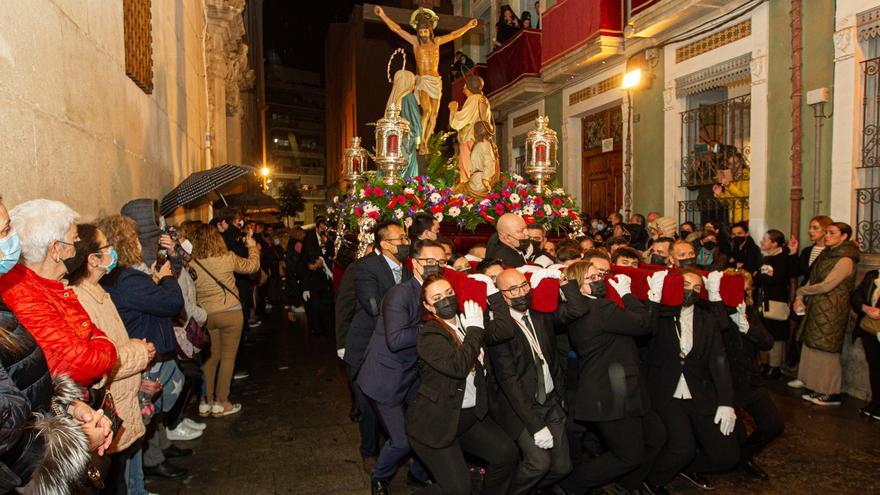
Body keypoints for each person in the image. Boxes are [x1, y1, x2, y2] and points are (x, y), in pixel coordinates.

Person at [0, 198, 113, 494]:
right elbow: (79, 360)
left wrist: (67, 405)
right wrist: (75, 439)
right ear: (55, 248)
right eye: (4, 230)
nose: (13, 241)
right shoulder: (22, 294)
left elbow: (27, 382)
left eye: (9, 227)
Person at [555, 263, 667, 495]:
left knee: (655, 437)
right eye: (591, 277)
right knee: (628, 456)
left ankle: (628, 485)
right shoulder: (599, 307)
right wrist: (635, 295)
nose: (599, 280)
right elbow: (644, 324)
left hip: (624, 388)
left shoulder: (584, 308)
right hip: (609, 393)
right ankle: (570, 485)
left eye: (600, 275)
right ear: (577, 286)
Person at [66, 223, 158, 493]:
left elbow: (112, 340)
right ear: (93, 259)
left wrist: (131, 344)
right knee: (114, 479)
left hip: (123, 397)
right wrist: (139, 352)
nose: (113, 252)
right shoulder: (80, 298)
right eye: (107, 247)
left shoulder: (99, 290)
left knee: (123, 472)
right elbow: (99, 358)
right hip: (109, 405)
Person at [96, 214, 188, 483]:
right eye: (135, 238)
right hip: (142, 355)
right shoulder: (127, 279)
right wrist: (168, 280)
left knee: (149, 417)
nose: (139, 243)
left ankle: (154, 459)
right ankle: (141, 478)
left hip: (143, 352)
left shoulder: (123, 277)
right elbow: (171, 304)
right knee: (138, 425)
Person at [406, 276, 518, 495]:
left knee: (506, 454)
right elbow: (458, 367)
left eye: (449, 293)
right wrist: (475, 330)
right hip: (434, 424)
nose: (445, 300)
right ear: (428, 306)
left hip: (466, 417)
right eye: (437, 298)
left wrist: (493, 292)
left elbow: (505, 330)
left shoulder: (467, 321)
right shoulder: (430, 334)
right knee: (458, 490)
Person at [357, 240, 447, 494]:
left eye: (442, 262)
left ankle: (418, 475)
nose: (437, 267)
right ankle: (379, 477)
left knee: (423, 428)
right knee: (401, 440)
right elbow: (396, 340)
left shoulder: (437, 289)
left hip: (411, 374)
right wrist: (434, 329)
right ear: (415, 263)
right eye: (431, 262)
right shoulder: (401, 293)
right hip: (385, 377)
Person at [489, 267, 590, 494]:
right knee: (539, 463)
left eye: (524, 285)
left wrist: (563, 281)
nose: (521, 292)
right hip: (520, 407)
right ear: (501, 295)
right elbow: (509, 382)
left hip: (551, 401)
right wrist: (535, 426)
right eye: (512, 289)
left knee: (563, 467)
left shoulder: (540, 314)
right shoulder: (499, 329)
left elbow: (578, 308)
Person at [0, 199, 118, 387]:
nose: (78, 243)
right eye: (74, 238)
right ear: (56, 249)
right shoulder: (24, 294)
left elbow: (87, 333)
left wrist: (94, 341)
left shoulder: (49, 286)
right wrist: (110, 346)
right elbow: (82, 364)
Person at [645, 269, 739, 492]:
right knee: (682, 447)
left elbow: (719, 360)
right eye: (686, 284)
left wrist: (726, 402)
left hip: (699, 391)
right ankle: (653, 478)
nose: (691, 291)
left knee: (728, 455)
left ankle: (685, 468)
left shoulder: (707, 320)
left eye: (697, 288)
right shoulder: (659, 315)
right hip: (667, 393)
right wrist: (654, 302)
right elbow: (643, 332)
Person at [344, 222, 412, 475]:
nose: (406, 243)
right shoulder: (366, 268)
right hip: (366, 347)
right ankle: (369, 452)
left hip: (395, 347)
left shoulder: (406, 271)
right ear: (385, 244)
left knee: (396, 401)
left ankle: (397, 447)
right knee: (368, 405)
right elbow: (373, 307)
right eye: (401, 238)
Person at [374, 5, 478, 154]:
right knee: (427, 111)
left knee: (434, 114)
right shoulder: (415, 43)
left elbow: (454, 35)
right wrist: (382, 15)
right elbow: (397, 29)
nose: (422, 34)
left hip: (436, 81)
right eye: (420, 31)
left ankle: (425, 142)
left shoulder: (437, 42)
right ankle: (421, 140)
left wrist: (468, 26)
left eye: (425, 31)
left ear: (430, 31)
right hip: (423, 81)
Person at [189, 223, 260, 417]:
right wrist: (252, 247)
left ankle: (206, 401)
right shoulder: (227, 258)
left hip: (206, 316)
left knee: (211, 358)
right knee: (228, 358)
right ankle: (222, 402)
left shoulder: (192, 264)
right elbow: (253, 266)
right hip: (231, 312)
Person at [718, 269, 782, 481]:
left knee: (773, 425)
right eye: (738, 291)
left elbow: (767, 342)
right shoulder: (716, 312)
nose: (743, 297)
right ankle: (736, 459)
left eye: (746, 292)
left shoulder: (749, 311)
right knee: (732, 436)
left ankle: (744, 456)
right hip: (726, 382)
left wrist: (747, 327)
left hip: (750, 379)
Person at [792, 222, 860, 406]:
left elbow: (828, 284)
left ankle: (831, 392)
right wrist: (800, 293)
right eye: (827, 232)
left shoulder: (845, 259)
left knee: (827, 349)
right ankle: (816, 387)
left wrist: (803, 292)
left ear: (844, 236)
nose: (827, 236)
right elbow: (814, 279)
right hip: (817, 305)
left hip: (833, 309)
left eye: (832, 233)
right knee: (813, 346)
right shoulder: (826, 254)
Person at [786, 215, 833, 377]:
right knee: (800, 332)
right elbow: (795, 272)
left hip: (818, 297)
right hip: (803, 296)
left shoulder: (830, 253)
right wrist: (793, 253)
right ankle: (800, 370)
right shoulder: (808, 251)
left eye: (815, 228)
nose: (810, 231)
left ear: (826, 230)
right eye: (810, 227)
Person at [753, 229, 791, 379]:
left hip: (776, 299)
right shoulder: (763, 257)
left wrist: (761, 276)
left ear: (775, 243)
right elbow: (755, 277)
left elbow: (776, 279)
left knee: (776, 333)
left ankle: (774, 365)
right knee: (763, 330)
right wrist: (761, 276)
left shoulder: (782, 258)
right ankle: (764, 363)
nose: (762, 242)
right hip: (762, 299)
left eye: (765, 239)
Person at [449, 75, 494, 185]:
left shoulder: (473, 99)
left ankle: (466, 189)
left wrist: (453, 110)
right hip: (481, 138)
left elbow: (459, 121)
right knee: (479, 166)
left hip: (470, 136)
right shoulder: (484, 100)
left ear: (468, 86)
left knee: (467, 168)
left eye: (465, 85)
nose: (463, 88)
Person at [850, 266, 880, 419]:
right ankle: (876, 402)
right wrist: (865, 307)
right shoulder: (872, 275)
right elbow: (856, 295)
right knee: (874, 365)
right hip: (870, 329)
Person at [299, 217, 334, 335]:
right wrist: (316, 262)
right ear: (318, 226)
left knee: (324, 305)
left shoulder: (327, 238)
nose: (325, 229)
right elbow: (306, 260)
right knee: (314, 306)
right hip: (312, 278)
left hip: (323, 277)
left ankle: (325, 328)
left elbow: (329, 253)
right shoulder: (310, 238)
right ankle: (316, 329)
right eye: (324, 226)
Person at [387, 69, 423, 179]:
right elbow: (416, 120)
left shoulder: (395, 98)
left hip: (394, 141)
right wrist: (419, 140)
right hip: (407, 140)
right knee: (408, 172)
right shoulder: (408, 97)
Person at [453, 121, 500, 198]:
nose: (474, 133)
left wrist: (486, 179)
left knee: (458, 192)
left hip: (479, 181)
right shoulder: (480, 144)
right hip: (476, 178)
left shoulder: (484, 144)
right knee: (457, 191)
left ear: (480, 131)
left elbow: (490, 162)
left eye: (475, 130)